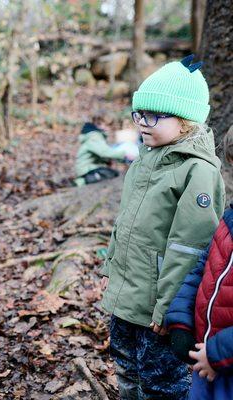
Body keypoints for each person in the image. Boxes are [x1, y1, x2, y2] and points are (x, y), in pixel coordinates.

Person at [100, 55, 226, 399]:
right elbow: (127, 223)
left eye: (154, 116)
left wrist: (168, 309)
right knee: (126, 365)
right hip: (127, 297)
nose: (142, 123)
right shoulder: (145, 160)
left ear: (186, 122)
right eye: (138, 114)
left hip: (157, 307)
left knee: (161, 381)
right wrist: (110, 267)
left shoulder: (197, 172)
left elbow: (191, 246)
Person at [165, 125, 233, 400]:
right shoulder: (229, 219)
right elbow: (203, 269)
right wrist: (180, 320)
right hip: (206, 360)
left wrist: (218, 354)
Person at [74, 120, 132, 186]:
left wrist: (108, 160)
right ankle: (81, 182)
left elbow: (100, 154)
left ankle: (81, 181)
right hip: (87, 170)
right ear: (98, 125)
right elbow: (104, 152)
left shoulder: (91, 137)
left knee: (113, 173)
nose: (107, 128)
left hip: (87, 169)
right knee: (113, 174)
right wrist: (125, 155)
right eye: (106, 125)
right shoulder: (93, 137)